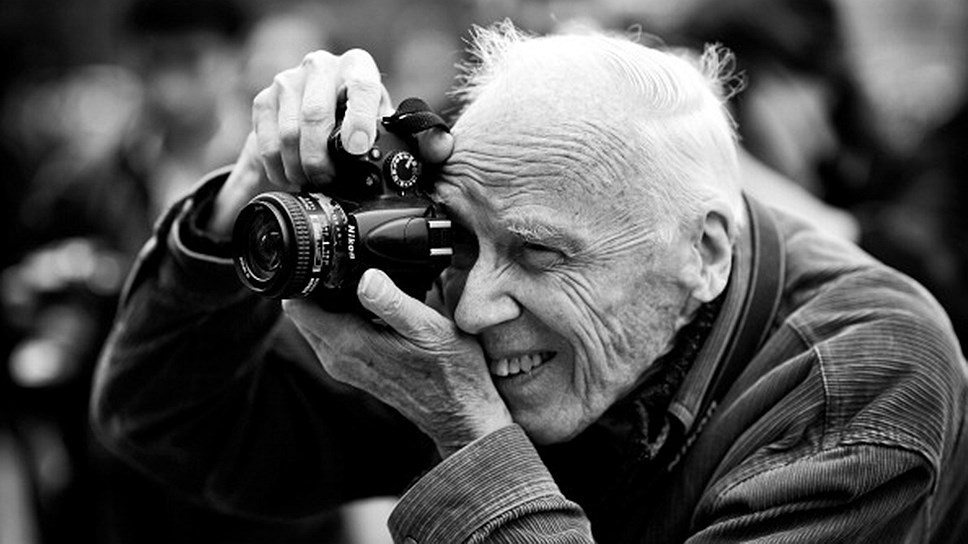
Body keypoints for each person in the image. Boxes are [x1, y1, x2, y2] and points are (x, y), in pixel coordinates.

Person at [90, 21, 968, 543]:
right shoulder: (480, 315)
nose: (474, 307)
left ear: (703, 254)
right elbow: (160, 422)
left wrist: (471, 437)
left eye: (543, 255)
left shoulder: (863, 368)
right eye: (464, 238)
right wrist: (238, 203)